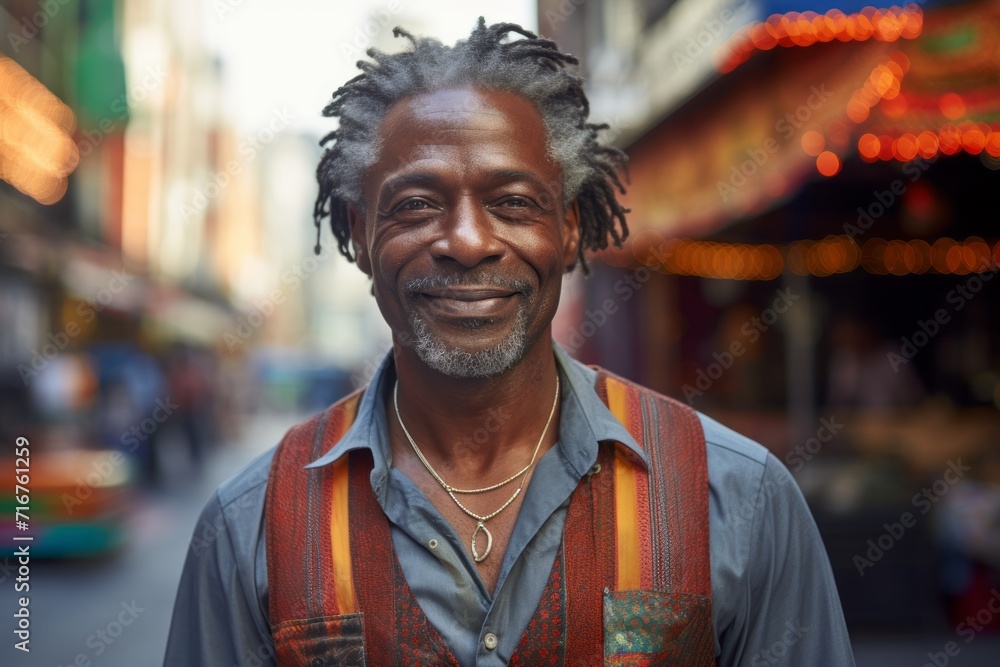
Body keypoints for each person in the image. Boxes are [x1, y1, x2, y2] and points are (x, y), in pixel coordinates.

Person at [164, 19, 854, 666]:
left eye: (514, 203)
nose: (467, 242)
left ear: (572, 227)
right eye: (416, 205)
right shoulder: (248, 526)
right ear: (357, 232)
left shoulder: (740, 500)